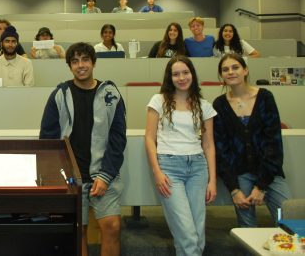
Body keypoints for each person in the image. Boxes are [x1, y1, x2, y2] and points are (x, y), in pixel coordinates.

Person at [40, 42, 126, 256]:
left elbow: (118, 139)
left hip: (104, 174)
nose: (81, 65)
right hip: (71, 176)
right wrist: (57, 176)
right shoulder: (60, 95)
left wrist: (105, 176)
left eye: (85, 60)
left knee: (112, 227)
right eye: (75, 61)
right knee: (78, 231)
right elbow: (47, 139)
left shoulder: (111, 94)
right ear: (69, 66)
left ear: (93, 62)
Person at [144, 56, 217, 256]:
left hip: (198, 168)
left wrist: (212, 181)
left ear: (192, 74)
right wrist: (156, 171)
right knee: (187, 233)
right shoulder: (158, 100)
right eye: (176, 74)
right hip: (169, 167)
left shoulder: (204, 105)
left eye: (185, 72)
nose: (181, 77)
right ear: (170, 78)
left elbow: (209, 145)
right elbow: (149, 139)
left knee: (197, 234)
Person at [213, 54, 290, 227]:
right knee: (248, 227)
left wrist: (261, 186)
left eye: (235, 67)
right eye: (225, 70)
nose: (230, 72)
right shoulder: (219, 104)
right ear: (221, 76)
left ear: (245, 70)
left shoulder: (265, 97)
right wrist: (234, 190)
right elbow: (221, 150)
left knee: (290, 223)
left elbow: (274, 143)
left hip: (269, 173)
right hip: (241, 175)